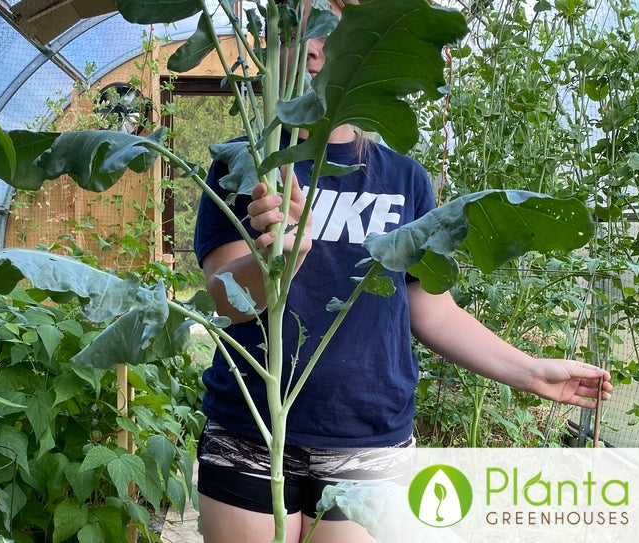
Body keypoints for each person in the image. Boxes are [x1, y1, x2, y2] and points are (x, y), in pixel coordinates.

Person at [192, 1, 613, 542]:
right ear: (272, 46)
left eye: (329, 32)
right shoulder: (241, 165)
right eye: (298, 32)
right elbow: (224, 301)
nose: (314, 48)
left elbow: (427, 307)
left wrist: (530, 372)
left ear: (365, 51)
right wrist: (281, 264)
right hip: (249, 430)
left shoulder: (405, 179)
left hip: (368, 438)